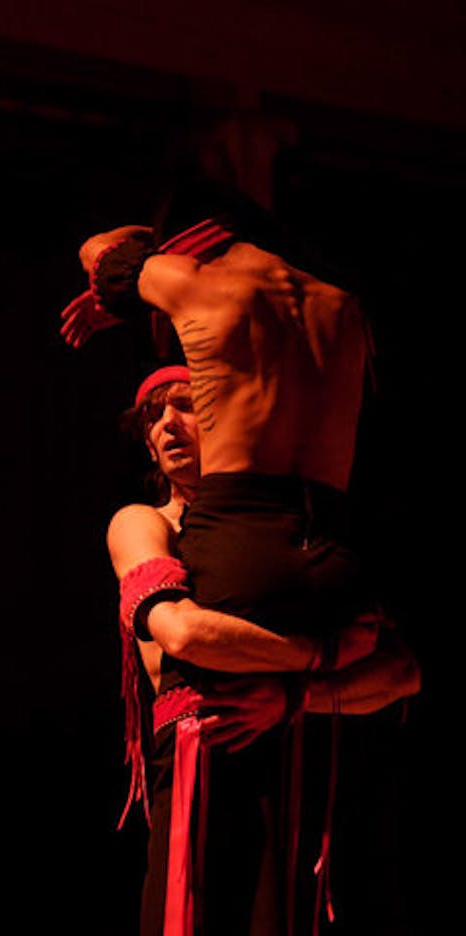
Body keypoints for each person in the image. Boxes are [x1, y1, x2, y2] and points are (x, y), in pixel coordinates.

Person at [106, 364, 420, 936]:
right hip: (203, 767)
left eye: (186, 406)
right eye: (153, 418)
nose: (167, 426)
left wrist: (292, 698)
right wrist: (319, 654)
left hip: (302, 762)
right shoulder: (145, 523)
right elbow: (180, 633)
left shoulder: (290, 543)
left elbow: (400, 670)